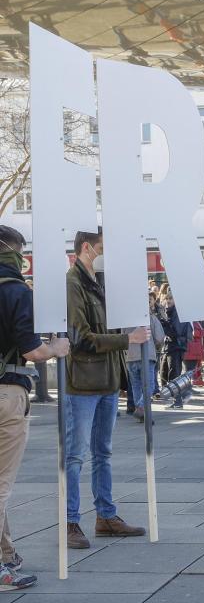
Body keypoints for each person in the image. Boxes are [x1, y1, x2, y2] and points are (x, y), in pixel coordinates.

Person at [64, 228, 149, 549]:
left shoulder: (99, 282)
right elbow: (80, 337)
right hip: (85, 381)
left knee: (102, 453)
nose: (106, 254)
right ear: (87, 248)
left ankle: (105, 516)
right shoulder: (73, 282)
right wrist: (127, 339)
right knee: (76, 455)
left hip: (108, 379)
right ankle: (72, 521)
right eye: (102, 248)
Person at [0, 226, 70, 589]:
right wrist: (55, 349)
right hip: (6, 393)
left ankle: (6, 557)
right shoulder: (13, 290)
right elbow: (31, 349)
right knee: (1, 484)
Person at [124, 292, 165, 422]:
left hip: (130, 356)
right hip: (147, 355)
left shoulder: (126, 318)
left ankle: (141, 412)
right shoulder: (150, 317)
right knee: (150, 385)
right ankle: (141, 408)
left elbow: (122, 336)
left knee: (136, 386)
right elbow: (159, 337)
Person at [159, 290, 192, 409]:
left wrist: (164, 323)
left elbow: (176, 331)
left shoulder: (178, 313)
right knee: (164, 373)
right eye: (167, 299)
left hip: (176, 347)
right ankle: (180, 396)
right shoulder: (168, 312)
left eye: (171, 299)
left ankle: (178, 400)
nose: (168, 301)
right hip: (169, 347)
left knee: (174, 374)